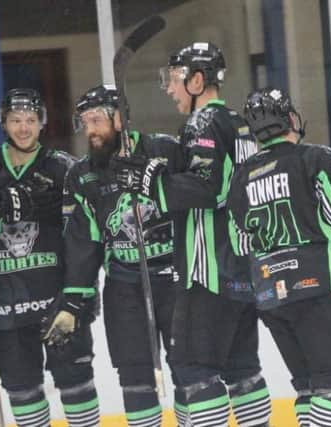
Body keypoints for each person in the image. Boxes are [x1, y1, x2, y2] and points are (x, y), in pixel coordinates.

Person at [112, 43, 272, 427]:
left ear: (197, 80)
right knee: (242, 369)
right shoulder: (241, 124)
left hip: (208, 270)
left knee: (193, 370)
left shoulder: (202, 123)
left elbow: (209, 188)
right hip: (242, 268)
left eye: (174, 79)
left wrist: (152, 182)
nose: (169, 88)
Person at [227, 87, 331, 427]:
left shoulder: (240, 177)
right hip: (316, 288)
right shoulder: (314, 159)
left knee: (307, 384)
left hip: (270, 297)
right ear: (290, 118)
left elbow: (239, 243)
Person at [41, 84, 187, 427]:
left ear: (120, 119)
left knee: (188, 369)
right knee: (135, 378)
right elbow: (83, 244)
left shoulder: (164, 151)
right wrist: (74, 301)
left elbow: (199, 198)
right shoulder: (82, 175)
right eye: (85, 122)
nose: (90, 130)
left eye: (97, 120)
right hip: (124, 287)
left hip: (176, 279)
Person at [0, 88, 100, 427]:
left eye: (30, 120)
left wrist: (81, 295)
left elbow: (85, 238)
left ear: (41, 123)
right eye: (15, 120)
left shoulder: (65, 168)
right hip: (5, 303)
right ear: (3, 122)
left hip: (56, 304)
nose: (23, 128)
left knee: (76, 383)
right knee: (23, 389)